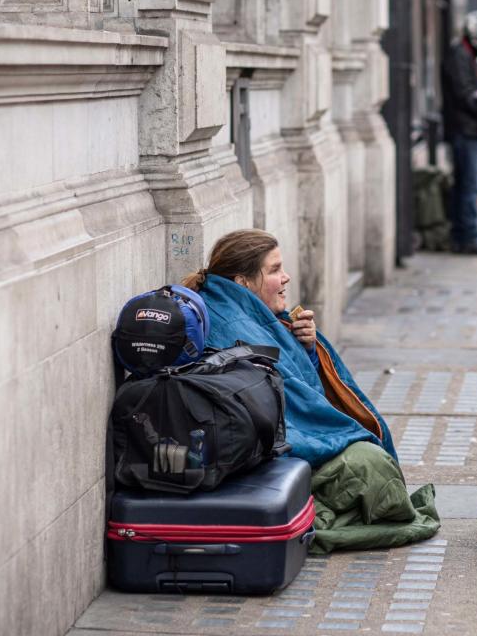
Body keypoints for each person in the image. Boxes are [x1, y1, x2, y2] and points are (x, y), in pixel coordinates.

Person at [181, 230, 440, 553]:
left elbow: (300, 384)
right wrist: (343, 435)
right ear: (243, 282)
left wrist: (307, 345)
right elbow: (285, 405)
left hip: (280, 439)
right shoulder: (232, 324)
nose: (286, 277)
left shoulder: (253, 314)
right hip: (272, 449)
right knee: (372, 468)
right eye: (274, 270)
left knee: (371, 464)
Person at [441, 10, 477, 256]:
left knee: (465, 184)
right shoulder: (460, 55)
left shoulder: (467, 55)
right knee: (469, 185)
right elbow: (467, 94)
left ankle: (462, 235)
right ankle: (469, 237)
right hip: (464, 130)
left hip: (467, 129)